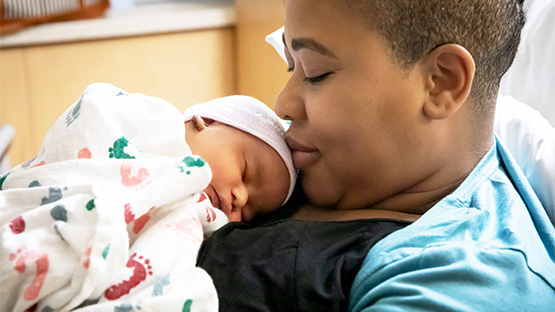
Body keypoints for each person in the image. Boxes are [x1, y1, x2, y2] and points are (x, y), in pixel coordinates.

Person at [197, 0, 555, 311]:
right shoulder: (302, 164)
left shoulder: (463, 277)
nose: (283, 105)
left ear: (442, 81)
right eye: (292, 67)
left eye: (316, 73)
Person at [0, 83, 296, 311]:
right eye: (246, 171)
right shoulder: (153, 121)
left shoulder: (197, 216)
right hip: (58, 207)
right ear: (206, 121)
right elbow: (91, 118)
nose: (241, 198)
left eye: (252, 213)